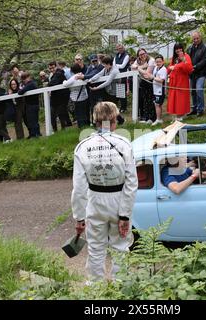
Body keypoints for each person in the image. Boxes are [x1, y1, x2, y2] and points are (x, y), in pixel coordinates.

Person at [71, 101, 138, 282]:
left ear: (95, 120)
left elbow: (79, 188)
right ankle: (121, 286)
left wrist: (79, 217)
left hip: (95, 202)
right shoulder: (124, 144)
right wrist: (125, 215)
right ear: (114, 120)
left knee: (95, 248)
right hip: (119, 201)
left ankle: (95, 289)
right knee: (121, 246)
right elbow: (131, 183)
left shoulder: (83, 147)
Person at [87, 56, 126, 125]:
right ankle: (120, 120)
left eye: (104, 64)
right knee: (110, 108)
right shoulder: (106, 69)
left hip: (117, 90)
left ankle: (115, 122)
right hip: (110, 90)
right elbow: (99, 74)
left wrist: (97, 88)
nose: (103, 66)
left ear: (108, 64)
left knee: (111, 108)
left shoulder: (114, 71)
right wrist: (90, 80)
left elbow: (108, 82)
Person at [167, 43, 193, 121]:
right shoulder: (174, 58)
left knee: (181, 98)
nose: (178, 50)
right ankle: (176, 116)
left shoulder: (186, 56)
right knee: (174, 98)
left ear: (182, 48)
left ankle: (180, 116)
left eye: (180, 48)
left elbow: (189, 69)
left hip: (182, 81)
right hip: (174, 81)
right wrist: (171, 68)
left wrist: (183, 61)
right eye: (176, 49)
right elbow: (168, 69)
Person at [187, 31, 206, 117]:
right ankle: (195, 108)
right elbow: (187, 58)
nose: (195, 40)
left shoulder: (205, 47)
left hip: (201, 72)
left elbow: (205, 60)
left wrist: (195, 67)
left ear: (200, 38)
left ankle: (200, 109)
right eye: (194, 39)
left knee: (199, 89)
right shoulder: (190, 47)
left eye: (197, 38)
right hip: (192, 73)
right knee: (193, 91)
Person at [131, 48, 156, 124]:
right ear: (138, 56)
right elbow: (132, 68)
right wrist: (143, 67)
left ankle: (152, 118)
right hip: (142, 83)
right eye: (140, 54)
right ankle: (146, 118)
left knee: (150, 100)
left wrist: (138, 68)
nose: (142, 55)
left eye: (143, 53)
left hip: (150, 82)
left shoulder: (151, 60)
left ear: (146, 52)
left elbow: (147, 74)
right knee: (144, 100)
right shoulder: (138, 61)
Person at [63, 64, 90, 128]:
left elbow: (66, 84)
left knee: (79, 115)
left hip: (76, 99)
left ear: (72, 71)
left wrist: (64, 81)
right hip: (85, 97)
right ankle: (87, 126)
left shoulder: (74, 77)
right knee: (85, 114)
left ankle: (81, 128)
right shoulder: (83, 76)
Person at [48, 61, 72, 131]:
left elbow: (53, 82)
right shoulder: (53, 75)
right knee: (52, 116)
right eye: (50, 68)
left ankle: (63, 130)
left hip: (61, 99)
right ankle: (55, 130)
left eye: (53, 68)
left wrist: (48, 84)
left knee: (61, 115)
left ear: (56, 66)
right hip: (55, 99)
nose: (52, 70)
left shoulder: (59, 73)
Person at [18, 72, 41, 138]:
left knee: (32, 121)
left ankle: (35, 135)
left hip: (32, 105)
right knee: (34, 120)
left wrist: (20, 89)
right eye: (23, 78)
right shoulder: (32, 83)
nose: (24, 80)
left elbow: (20, 92)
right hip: (33, 105)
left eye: (25, 78)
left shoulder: (30, 84)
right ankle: (36, 134)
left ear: (29, 77)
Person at [151, 55, 167, 126]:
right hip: (155, 89)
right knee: (156, 104)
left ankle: (158, 119)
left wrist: (153, 77)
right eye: (157, 62)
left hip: (160, 90)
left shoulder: (163, 69)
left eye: (159, 61)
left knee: (158, 104)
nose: (158, 63)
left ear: (163, 61)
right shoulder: (156, 68)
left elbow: (161, 80)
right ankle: (159, 118)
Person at [113, 44, 130, 113]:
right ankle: (121, 107)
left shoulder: (126, 56)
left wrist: (116, 65)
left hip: (123, 75)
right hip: (117, 75)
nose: (119, 50)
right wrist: (116, 66)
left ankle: (124, 107)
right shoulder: (116, 56)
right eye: (118, 49)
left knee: (122, 91)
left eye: (120, 48)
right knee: (118, 91)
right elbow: (113, 65)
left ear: (123, 48)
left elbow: (123, 66)